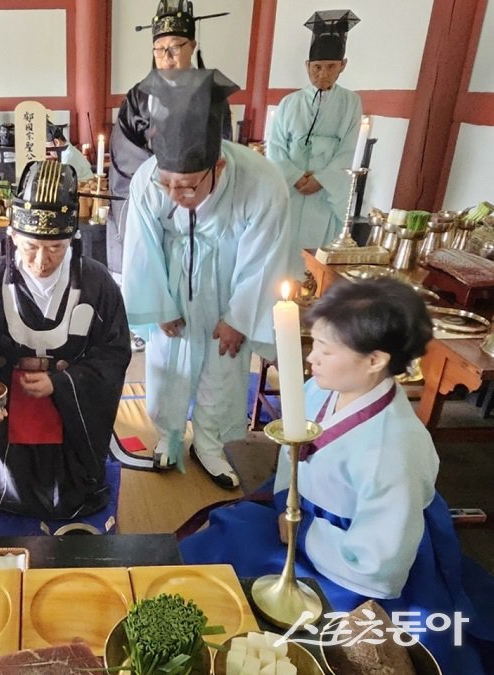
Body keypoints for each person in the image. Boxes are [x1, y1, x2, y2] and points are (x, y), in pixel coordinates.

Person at [179, 278, 494, 674]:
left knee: (284, 619)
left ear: (376, 360)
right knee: (219, 543)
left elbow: (381, 564)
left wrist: (304, 532)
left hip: (355, 553)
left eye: (326, 350)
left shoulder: (396, 449)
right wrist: (288, 510)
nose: (312, 360)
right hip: (300, 516)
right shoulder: (324, 389)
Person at [0, 160, 131, 520]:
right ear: (12, 237)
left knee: (72, 488)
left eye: (55, 248)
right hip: (9, 395)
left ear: (72, 239)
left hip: (72, 399)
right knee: (8, 481)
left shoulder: (97, 283)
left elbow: (113, 353)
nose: (42, 261)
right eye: (30, 247)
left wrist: (63, 382)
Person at [122, 67, 293, 484]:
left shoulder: (261, 181)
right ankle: (168, 435)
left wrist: (239, 317)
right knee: (168, 362)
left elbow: (264, 256)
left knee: (223, 366)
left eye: (186, 187)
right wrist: (158, 303)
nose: (174, 197)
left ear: (217, 165)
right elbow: (141, 243)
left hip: (231, 283)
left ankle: (213, 445)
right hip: (173, 280)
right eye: (167, 184)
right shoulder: (149, 180)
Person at [107, 0, 231, 284]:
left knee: (195, 281)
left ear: (193, 45)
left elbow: (224, 150)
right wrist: (163, 179)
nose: (168, 57)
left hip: (199, 201)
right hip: (149, 200)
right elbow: (124, 154)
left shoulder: (212, 96)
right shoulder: (138, 97)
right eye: (160, 49)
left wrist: (192, 180)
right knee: (151, 278)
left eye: (175, 47)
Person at [267, 10, 362, 253]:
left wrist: (320, 180)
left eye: (331, 66)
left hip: (324, 192)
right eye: (317, 67)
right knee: (282, 250)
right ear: (307, 65)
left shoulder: (350, 103)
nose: (323, 74)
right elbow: (276, 148)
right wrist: (296, 176)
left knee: (316, 253)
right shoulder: (289, 102)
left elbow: (347, 149)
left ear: (343, 65)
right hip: (291, 189)